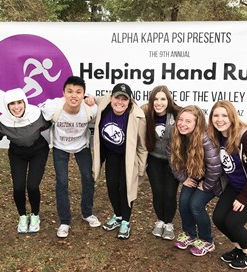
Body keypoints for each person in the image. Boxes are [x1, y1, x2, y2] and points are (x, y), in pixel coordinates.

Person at [40, 76, 101, 238]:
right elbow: (37, 113)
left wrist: (93, 98)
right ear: (63, 93)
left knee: (89, 178)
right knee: (62, 181)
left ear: (84, 95)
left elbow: (108, 104)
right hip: (60, 147)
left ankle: (87, 213)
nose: (74, 96)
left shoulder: (90, 109)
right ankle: (64, 221)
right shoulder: (53, 107)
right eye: (70, 91)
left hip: (82, 146)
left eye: (78, 92)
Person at [93, 83, 147, 239]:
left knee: (125, 188)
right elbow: (95, 99)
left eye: (125, 99)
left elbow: (143, 145)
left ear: (129, 101)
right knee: (111, 185)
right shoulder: (105, 103)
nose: (120, 102)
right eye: (117, 98)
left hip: (127, 157)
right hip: (111, 153)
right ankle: (117, 216)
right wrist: (87, 98)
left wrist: (142, 167)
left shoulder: (137, 116)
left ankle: (126, 221)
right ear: (111, 98)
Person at [167, 105, 222, 256]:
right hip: (193, 176)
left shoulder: (205, 139)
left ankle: (206, 240)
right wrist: (183, 178)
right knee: (184, 202)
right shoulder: (176, 134)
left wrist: (206, 185)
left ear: (197, 123)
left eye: (188, 121)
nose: (182, 124)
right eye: (180, 119)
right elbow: (171, 159)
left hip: (212, 180)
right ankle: (189, 234)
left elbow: (215, 167)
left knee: (196, 205)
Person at [0, 88, 50, 234]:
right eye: (12, 104)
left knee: (32, 186)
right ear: (7, 106)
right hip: (17, 154)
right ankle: (22, 216)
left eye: (19, 102)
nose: (16, 107)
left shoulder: (36, 114)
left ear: (25, 102)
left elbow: (52, 121)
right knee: (18, 187)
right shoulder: (3, 121)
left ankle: (35, 215)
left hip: (38, 151)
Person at [208, 100, 247, 270]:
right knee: (218, 218)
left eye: (224, 115)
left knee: (233, 223)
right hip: (235, 185)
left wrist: (243, 197)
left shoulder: (244, 136)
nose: (219, 119)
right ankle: (239, 249)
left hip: (245, 190)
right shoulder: (217, 136)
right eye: (216, 115)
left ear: (232, 117)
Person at [141, 85, 180, 240]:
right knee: (157, 191)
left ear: (168, 100)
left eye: (163, 99)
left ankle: (169, 223)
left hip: (173, 161)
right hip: (154, 158)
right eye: (156, 99)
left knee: (170, 193)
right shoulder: (146, 115)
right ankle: (160, 221)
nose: (159, 103)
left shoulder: (177, 115)